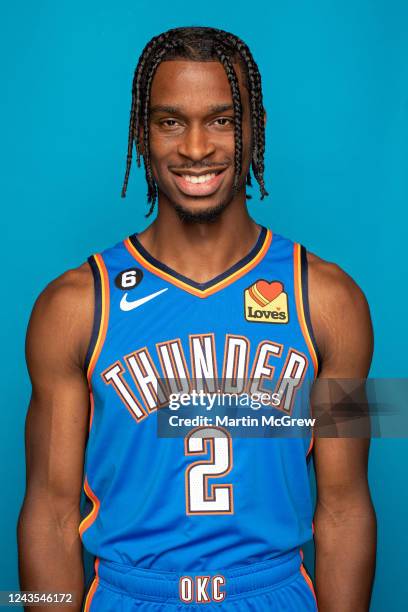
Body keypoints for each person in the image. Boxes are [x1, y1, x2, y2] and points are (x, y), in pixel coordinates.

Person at [18, 26, 376, 611]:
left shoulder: (334, 302)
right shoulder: (73, 304)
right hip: (130, 594)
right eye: (169, 121)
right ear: (142, 132)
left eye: (221, 120)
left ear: (253, 128)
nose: (195, 148)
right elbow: (48, 512)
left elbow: (347, 505)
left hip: (273, 592)